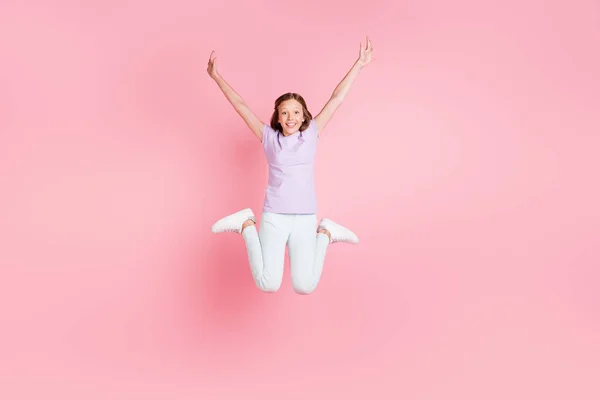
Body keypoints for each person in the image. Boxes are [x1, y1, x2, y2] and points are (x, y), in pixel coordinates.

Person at [208, 37, 374, 294]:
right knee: (268, 283)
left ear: (304, 115)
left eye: (296, 112)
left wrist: (359, 64)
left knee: (304, 285)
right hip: (274, 217)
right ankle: (246, 225)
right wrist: (217, 78)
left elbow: (336, 98)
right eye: (284, 112)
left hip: (306, 219)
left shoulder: (311, 134)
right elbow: (240, 106)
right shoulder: (268, 138)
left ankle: (326, 233)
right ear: (277, 116)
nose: (290, 118)